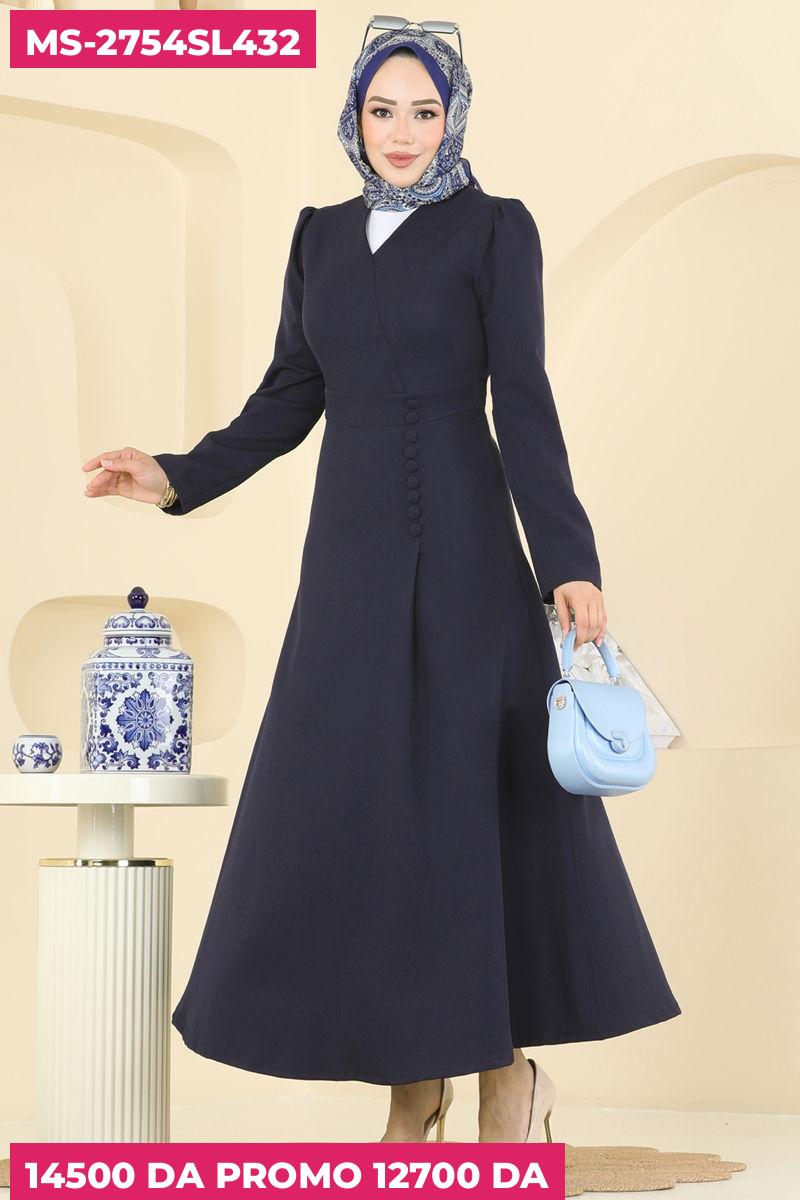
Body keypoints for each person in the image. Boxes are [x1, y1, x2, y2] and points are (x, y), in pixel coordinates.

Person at [81, 23, 681, 1144]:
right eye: (380, 111)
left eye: (423, 111)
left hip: (465, 552)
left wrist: (568, 562)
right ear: (353, 119)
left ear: (453, 118)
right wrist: (174, 473)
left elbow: (523, 398)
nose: (402, 133)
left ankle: (503, 1076)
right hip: (349, 559)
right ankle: (414, 1079)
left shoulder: (496, 229)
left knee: (464, 809)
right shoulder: (318, 236)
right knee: (359, 809)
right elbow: (286, 395)